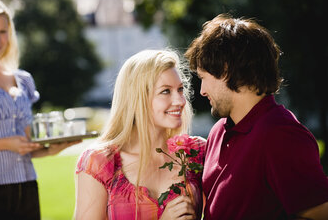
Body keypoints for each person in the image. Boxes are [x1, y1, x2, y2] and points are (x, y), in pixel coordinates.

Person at [184, 13, 328, 219]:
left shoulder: (279, 133)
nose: (202, 91)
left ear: (225, 70)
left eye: (204, 78)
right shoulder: (218, 131)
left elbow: (321, 211)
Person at [0, 0, 77, 220]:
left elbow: (26, 145)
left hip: (26, 187)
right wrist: (4, 143)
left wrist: (51, 149)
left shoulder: (23, 80)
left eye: (2, 32)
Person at [74, 50, 206, 220]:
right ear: (137, 98)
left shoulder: (197, 152)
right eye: (166, 91)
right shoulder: (99, 163)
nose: (180, 101)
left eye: (180, 90)